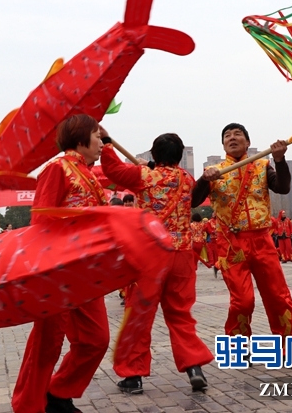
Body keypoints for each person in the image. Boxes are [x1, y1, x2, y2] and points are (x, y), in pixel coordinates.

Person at [100, 129, 213, 394]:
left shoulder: (144, 176)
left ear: (153, 154)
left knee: (139, 314)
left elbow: (113, 169)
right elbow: (169, 179)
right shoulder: (186, 179)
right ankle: (194, 366)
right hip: (182, 255)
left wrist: (106, 143)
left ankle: (133, 375)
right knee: (180, 315)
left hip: (151, 255)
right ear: (180, 156)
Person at [12, 114, 109, 413]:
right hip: (58, 269)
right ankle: (30, 403)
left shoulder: (90, 175)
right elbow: (41, 220)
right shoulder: (56, 169)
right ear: (80, 139)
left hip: (88, 272)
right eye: (97, 136)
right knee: (47, 342)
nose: (102, 143)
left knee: (97, 339)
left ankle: (59, 391)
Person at [192, 122, 292, 341]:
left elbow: (282, 187)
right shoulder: (213, 172)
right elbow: (193, 201)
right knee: (242, 300)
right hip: (231, 245)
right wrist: (204, 180)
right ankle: (237, 344)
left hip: (262, 240)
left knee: (278, 295)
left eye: (237, 134)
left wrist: (279, 161)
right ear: (223, 144)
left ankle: (291, 344)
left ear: (248, 142)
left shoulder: (262, 165)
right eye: (227, 136)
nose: (232, 138)